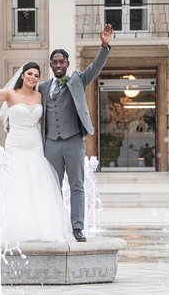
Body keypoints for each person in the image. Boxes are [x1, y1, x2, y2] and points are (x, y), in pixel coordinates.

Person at [0, 62, 75, 243]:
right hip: (16, 143)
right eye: (30, 74)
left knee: (35, 183)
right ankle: (8, 225)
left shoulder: (41, 96)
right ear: (23, 75)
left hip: (34, 143)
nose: (33, 77)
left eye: (36, 75)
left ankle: (37, 227)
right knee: (14, 180)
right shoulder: (10, 94)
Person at [40, 23, 113, 242]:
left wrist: (104, 45)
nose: (59, 65)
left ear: (67, 63)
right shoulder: (43, 87)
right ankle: (54, 227)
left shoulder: (78, 80)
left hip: (72, 141)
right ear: (51, 65)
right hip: (51, 143)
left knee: (76, 186)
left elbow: (95, 67)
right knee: (52, 188)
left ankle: (77, 228)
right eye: (55, 62)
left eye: (62, 61)